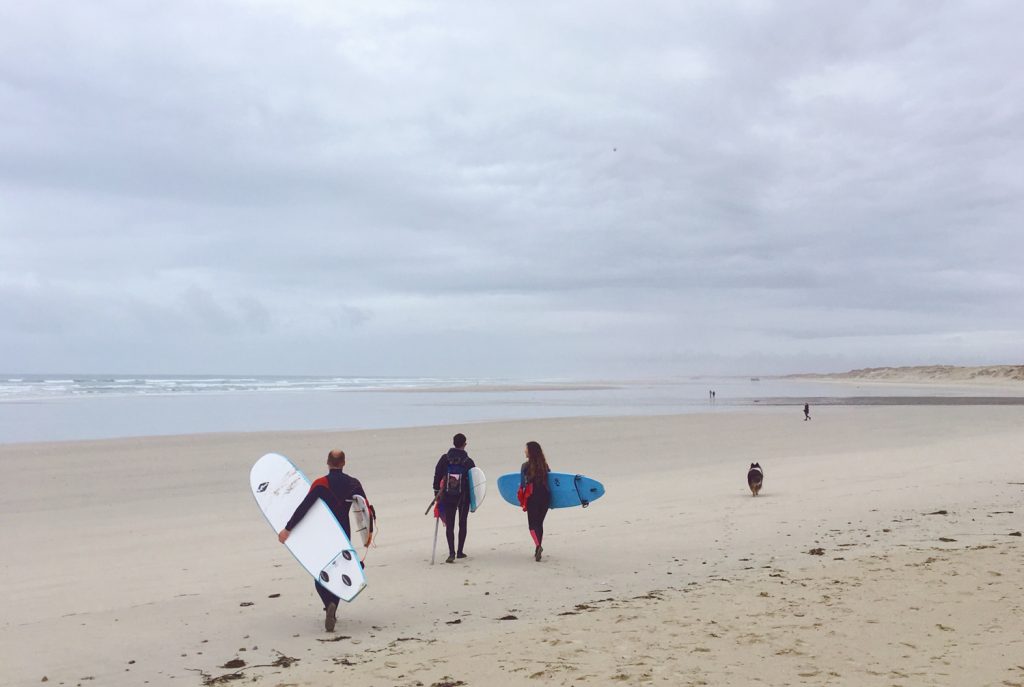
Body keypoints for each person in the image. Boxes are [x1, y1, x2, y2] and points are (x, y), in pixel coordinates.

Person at [278, 449, 368, 632]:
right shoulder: (354, 484)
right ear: (344, 463)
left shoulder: (321, 484)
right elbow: (365, 510)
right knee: (340, 571)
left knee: (321, 573)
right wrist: (368, 535)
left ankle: (329, 605)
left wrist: (288, 529)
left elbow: (304, 507)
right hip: (344, 534)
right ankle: (333, 606)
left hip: (324, 535)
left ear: (328, 463)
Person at [432, 432, 476, 563]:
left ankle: (451, 553)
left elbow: (437, 474)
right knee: (462, 523)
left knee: (450, 524)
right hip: (463, 497)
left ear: (453, 443)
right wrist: (474, 501)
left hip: (448, 495)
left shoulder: (445, 459)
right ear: (465, 444)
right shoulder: (468, 461)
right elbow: (475, 481)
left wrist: (436, 492)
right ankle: (460, 552)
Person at [517, 441, 551, 562]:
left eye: (526, 449)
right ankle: (538, 548)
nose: (524, 451)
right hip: (545, 496)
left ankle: (538, 546)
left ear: (530, 452)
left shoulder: (524, 466)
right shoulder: (545, 465)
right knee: (539, 523)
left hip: (532, 497)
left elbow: (522, 484)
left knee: (532, 525)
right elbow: (551, 481)